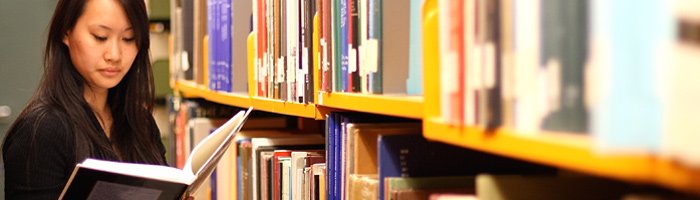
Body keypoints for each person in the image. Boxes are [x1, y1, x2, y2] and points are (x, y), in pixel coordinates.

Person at [2, 0, 168, 199]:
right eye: (100, 37)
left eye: (128, 38)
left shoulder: (140, 121)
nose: (114, 54)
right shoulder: (42, 130)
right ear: (66, 32)